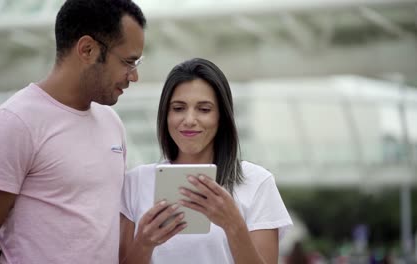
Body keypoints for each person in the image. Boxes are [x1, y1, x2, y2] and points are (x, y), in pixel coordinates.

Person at [0, 0, 146, 263]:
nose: (133, 76)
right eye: (128, 62)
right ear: (87, 49)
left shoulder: (111, 123)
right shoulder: (15, 123)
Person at [120, 58, 293, 264]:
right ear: (165, 115)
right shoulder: (135, 182)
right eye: (178, 108)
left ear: (222, 116)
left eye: (204, 109)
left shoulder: (256, 182)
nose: (189, 119)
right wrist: (144, 243)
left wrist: (233, 225)